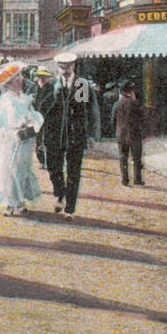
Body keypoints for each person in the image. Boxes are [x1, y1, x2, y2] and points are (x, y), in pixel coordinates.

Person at [37, 51, 99, 221]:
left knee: (73, 172)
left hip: (75, 135)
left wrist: (92, 135)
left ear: (74, 66)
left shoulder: (81, 85)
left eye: (68, 66)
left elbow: (87, 111)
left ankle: (69, 208)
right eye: (61, 66)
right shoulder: (52, 85)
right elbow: (42, 111)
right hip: (54, 135)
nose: (65, 69)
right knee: (53, 168)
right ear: (57, 67)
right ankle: (59, 193)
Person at [0, 61, 44, 216]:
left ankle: (19, 201)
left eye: (21, 77)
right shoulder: (5, 101)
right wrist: (16, 125)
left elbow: (36, 118)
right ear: (9, 83)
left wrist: (30, 122)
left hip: (25, 141)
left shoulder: (25, 98)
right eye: (18, 78)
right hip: (10, 141)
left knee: (22, 170)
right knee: (10, 171)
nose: (21, 80)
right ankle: (11, 203)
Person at [114, 81, 145, 186]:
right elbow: (142, 118)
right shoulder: (135, 103)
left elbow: (112, 120)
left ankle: (125, 180)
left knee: (123, 158)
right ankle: (137, 179)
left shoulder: (117, 104)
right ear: (130, 91)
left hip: (121, 135)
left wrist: (117, 130)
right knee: (136, 158)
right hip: (135, 134)